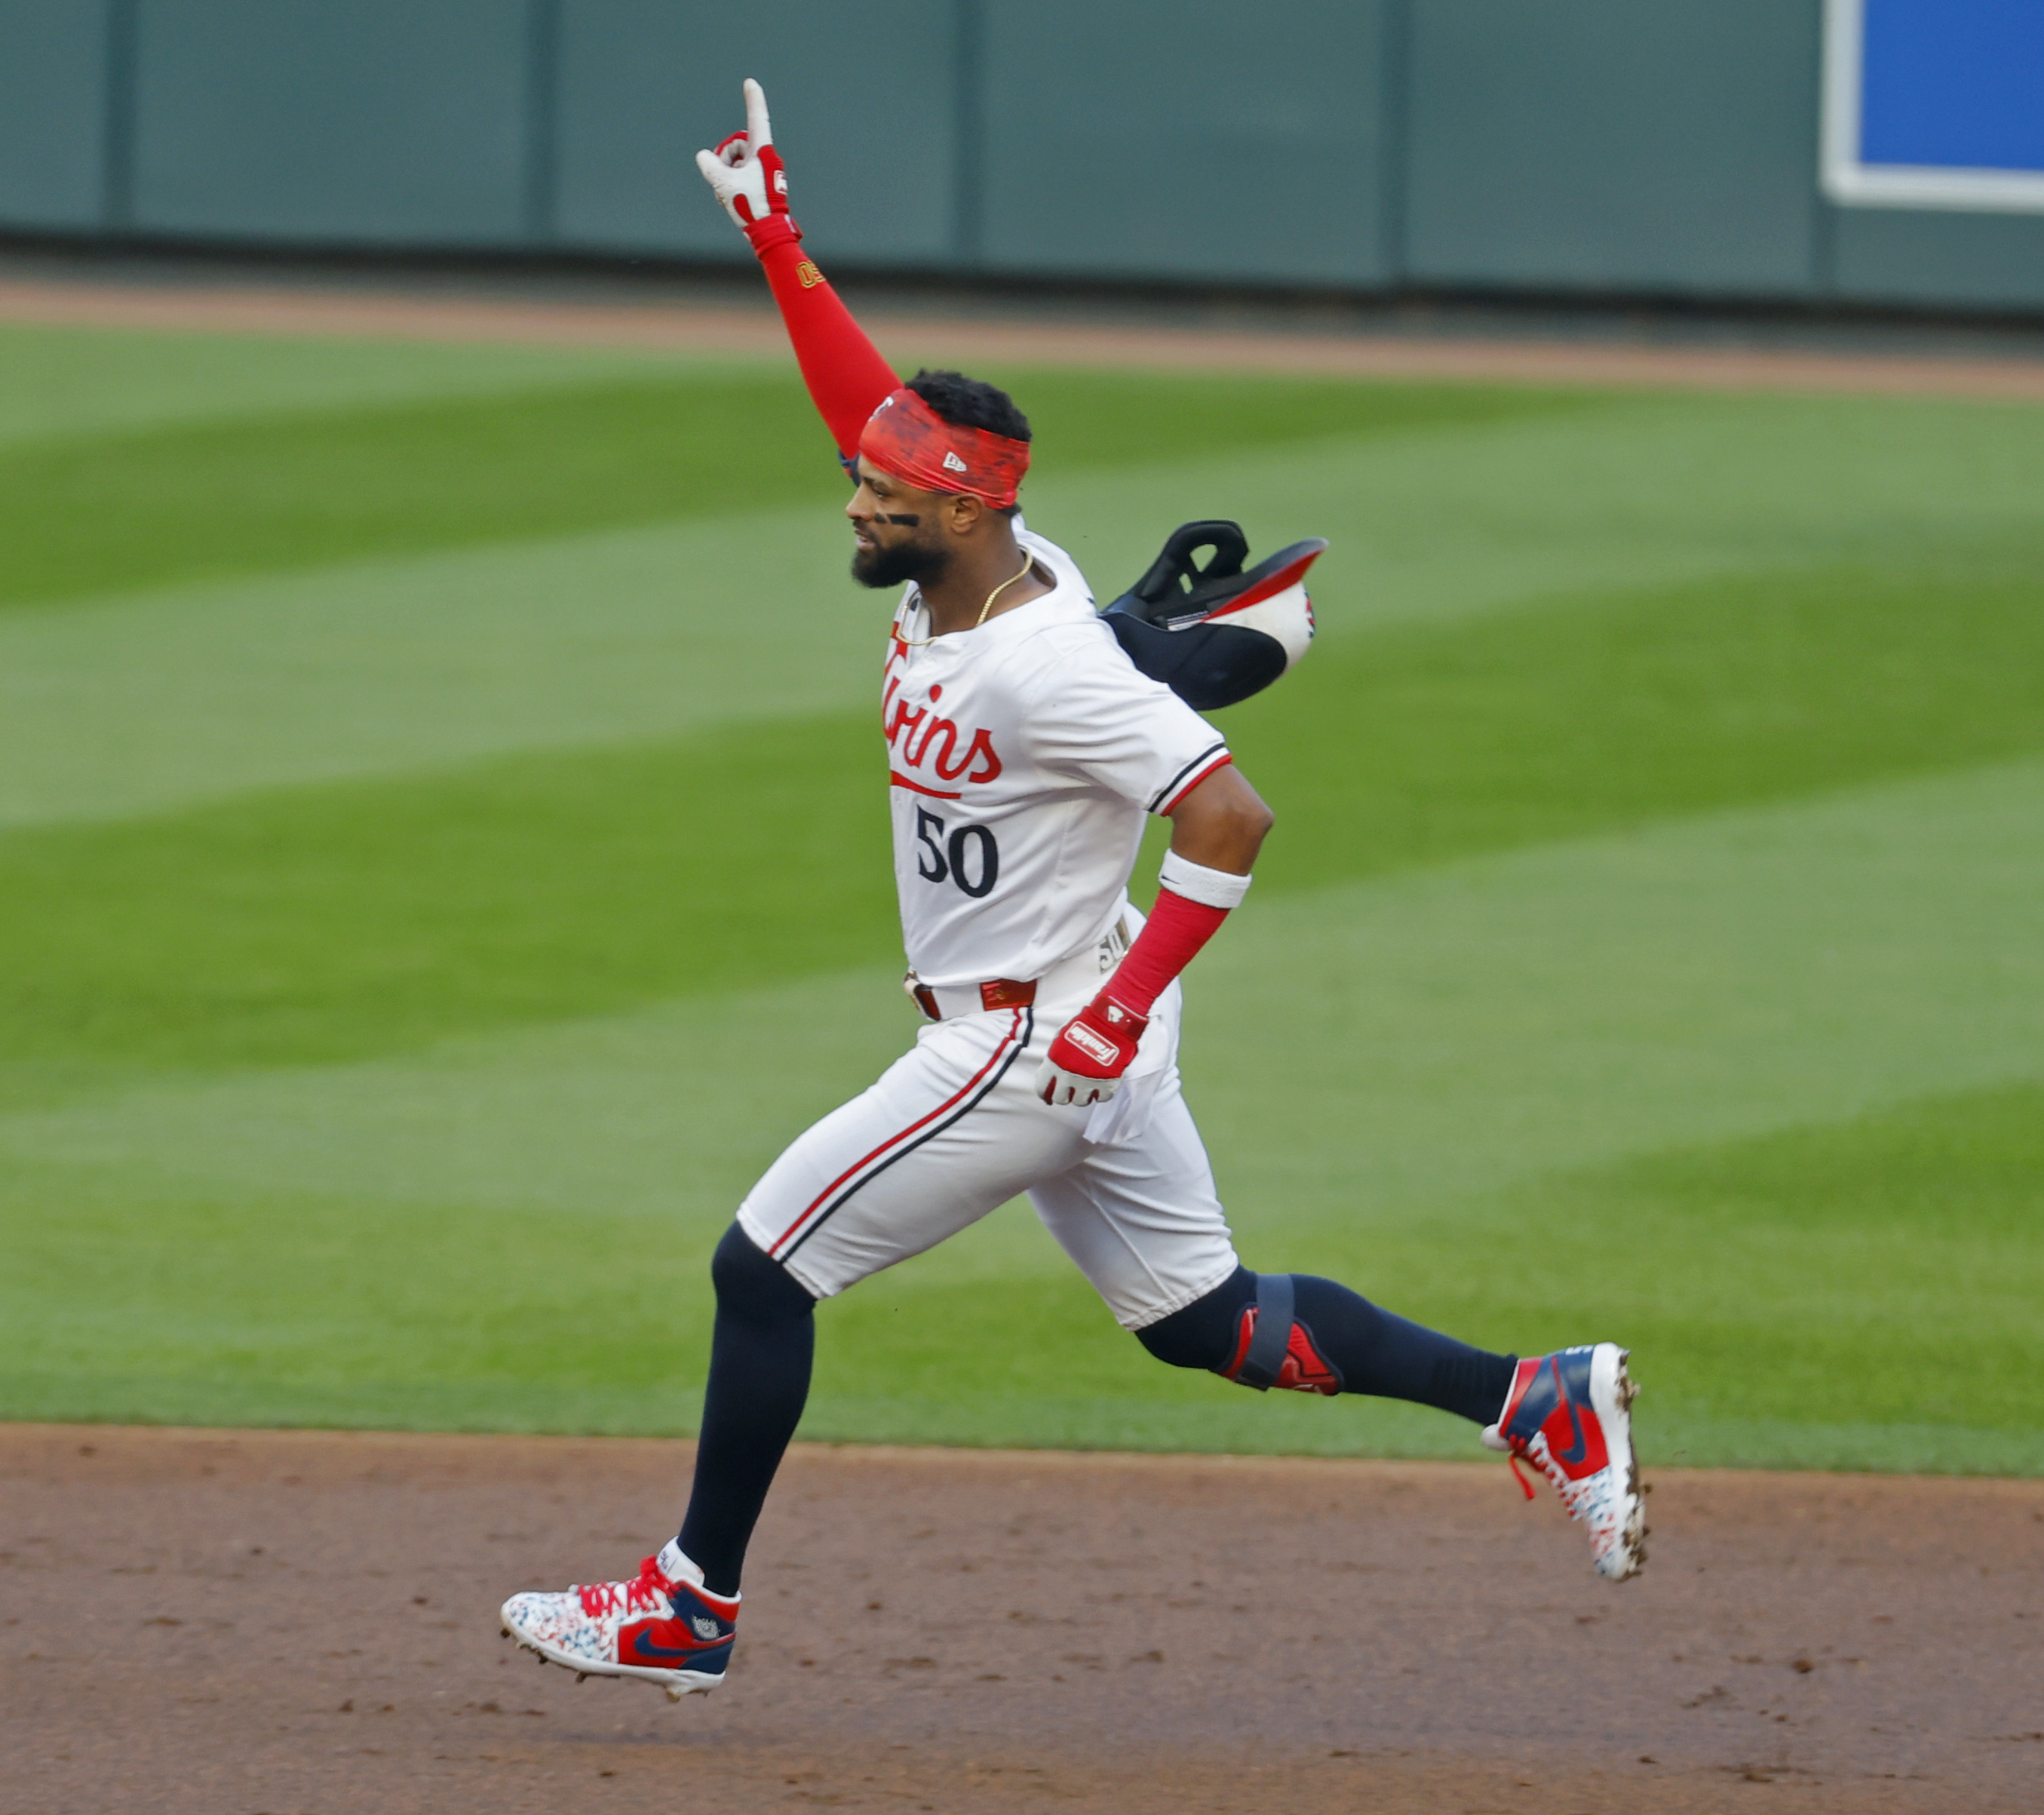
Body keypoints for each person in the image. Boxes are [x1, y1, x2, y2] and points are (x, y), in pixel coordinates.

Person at [499, 81, 1645, 1702]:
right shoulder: (962, 557)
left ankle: (689, 1604)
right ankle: (1535, 1396)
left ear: (966, 507)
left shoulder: (1046, 664)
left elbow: (1231, 816)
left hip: (1032, 1044)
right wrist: (773, 231)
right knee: (1208, 1324)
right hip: (1083, 1020)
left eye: (887, 494)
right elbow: (864, 409)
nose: (857, 500)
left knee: (760, 1269)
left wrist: (1108, 1020)